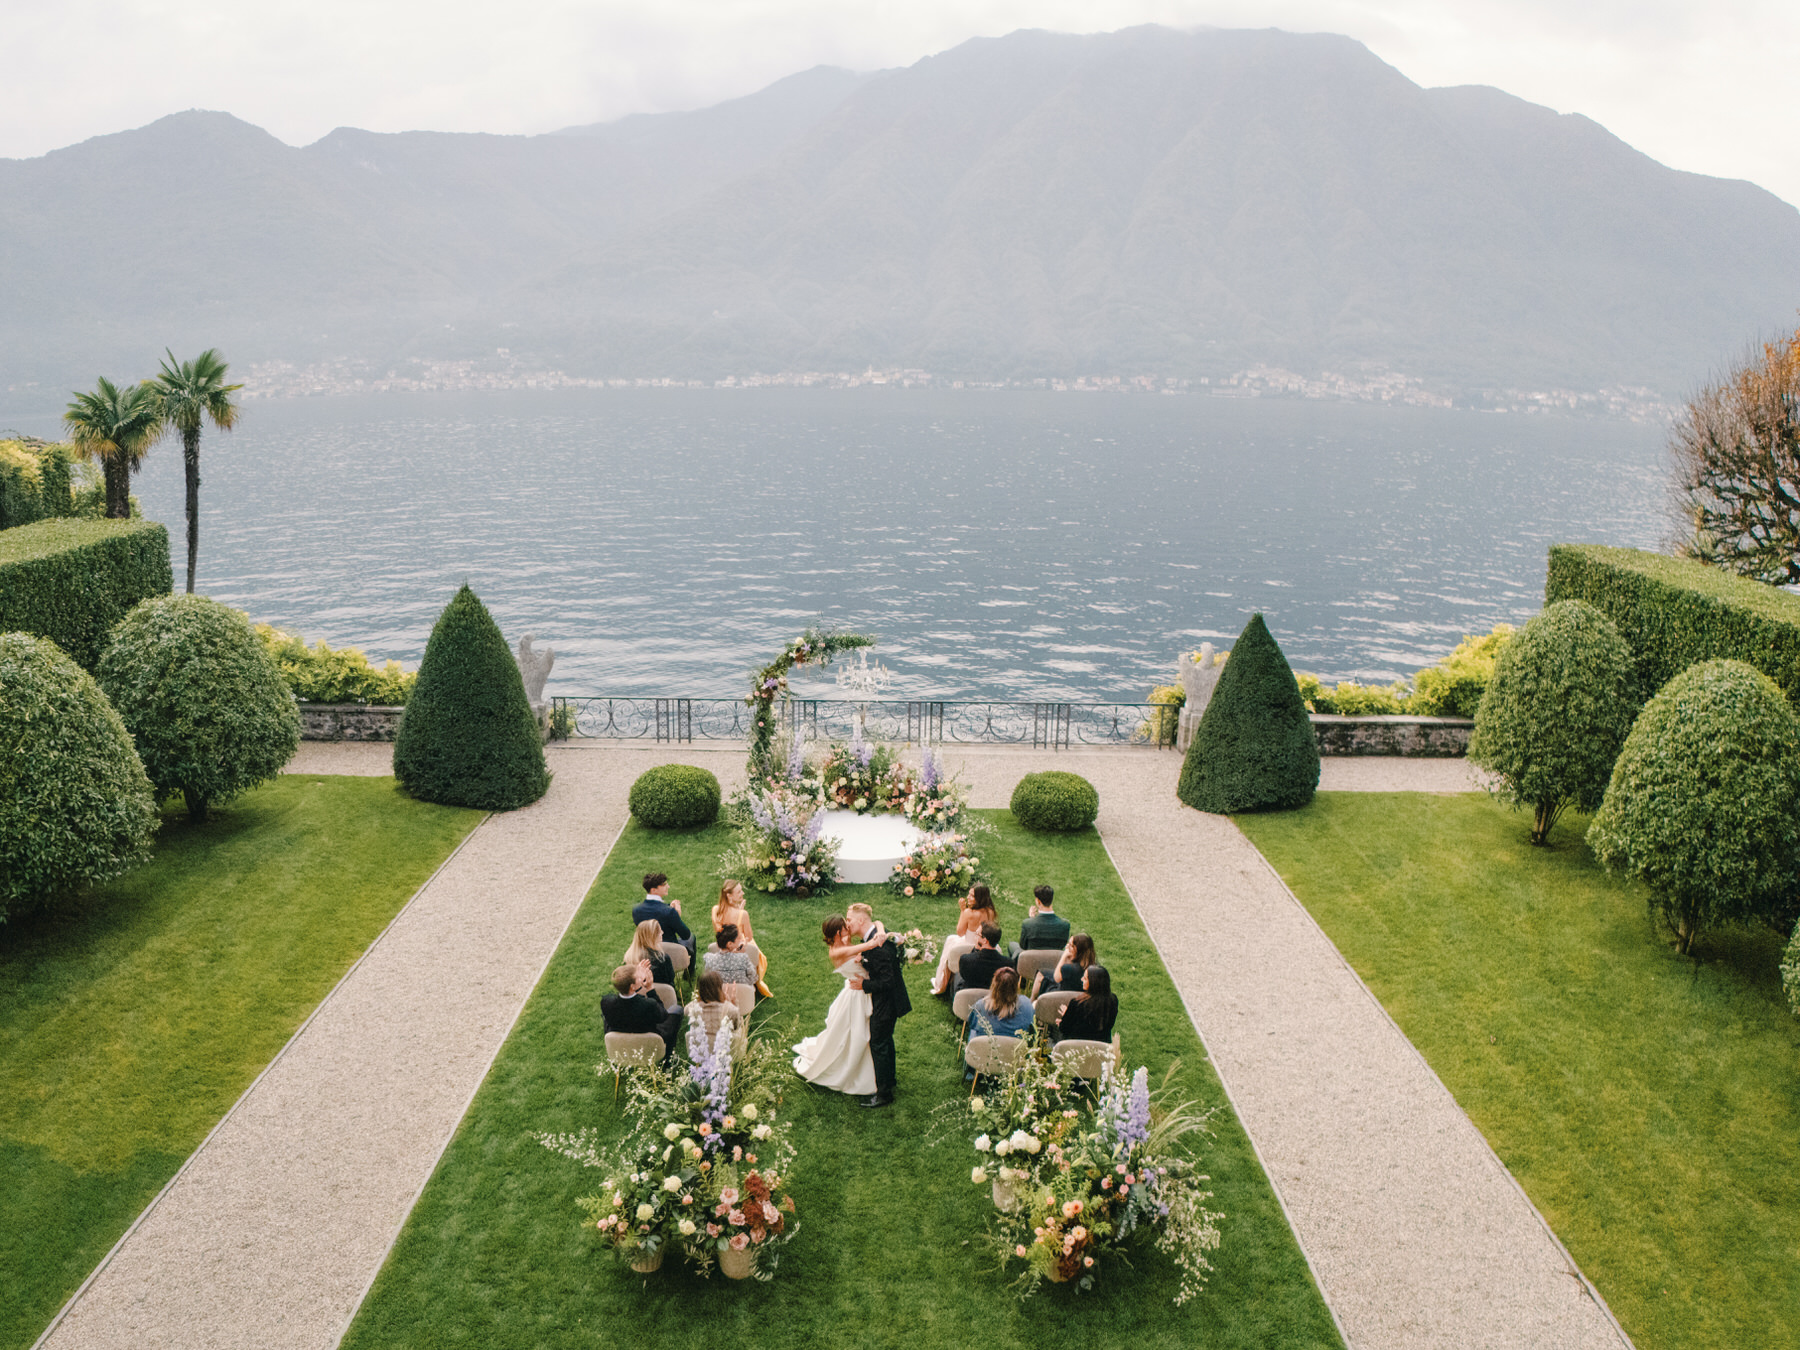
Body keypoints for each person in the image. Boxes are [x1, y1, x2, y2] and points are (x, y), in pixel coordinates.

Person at [792, 914, 895, 1098]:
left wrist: (879, 930)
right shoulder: (837, 952)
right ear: (839, 932)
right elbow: (870, 945)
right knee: (857, 1035)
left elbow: (877, 922)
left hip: (861, 992)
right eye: (846, 926)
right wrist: (877, 939)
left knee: (866, 1034)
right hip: (857, 996)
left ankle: (878, 1073)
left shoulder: (844, 943)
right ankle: (855, 1071)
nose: (849, 926)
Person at [846, 902, 910, 1109]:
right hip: (890, 1000)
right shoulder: (875, 937)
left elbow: (888, 980)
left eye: (850, 920)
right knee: (885, 1041)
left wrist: (864, 984)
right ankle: (889, 1081)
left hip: (887, 1002)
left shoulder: (879, 945)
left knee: (879, 1043)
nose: (847, 924)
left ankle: (884, 1094)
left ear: (862, 921)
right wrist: (864, 960)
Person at [602, 962, 683, 1060]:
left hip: (620, 1036)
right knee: (677, 1010)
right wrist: (650, 989)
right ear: (632, 987)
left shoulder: (606, 1002)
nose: (641, 978)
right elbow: (663, 1015)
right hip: (647, 1038)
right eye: (638, 977)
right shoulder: (648, 1005)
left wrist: (634, 972)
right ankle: (668, 1057)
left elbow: (627, 1001)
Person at [712, 879, 771, 998]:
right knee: (757, 954)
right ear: (729, 895)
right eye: (739, 892)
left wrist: (738, 910)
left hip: (722, 946)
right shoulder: (743, 914)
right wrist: (740, 912)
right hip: (740, 948)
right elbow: (748, 937)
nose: (743, 893)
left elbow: (720, 932)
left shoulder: (716, 910)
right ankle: (753, 982)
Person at [932, 885, 991, 995]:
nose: (968, 897)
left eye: (972, 896)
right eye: (969, 894)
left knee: (950, 940)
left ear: (980, 898)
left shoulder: (969, 913)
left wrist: (962, 911)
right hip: (984, 944)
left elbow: (960, 932)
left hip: (967, 945)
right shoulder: (990, 912)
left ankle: (943, 983)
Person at [632, 872, 695, 960]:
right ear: (653, 890)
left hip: (646, 951)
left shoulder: (636, 910)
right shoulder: (669, 912)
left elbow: (654, 913)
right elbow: (685, 935)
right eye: (664, 885)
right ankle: (690, 970)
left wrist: (669, 907)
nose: (668, 886)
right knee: (692, 938)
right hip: (669, 952)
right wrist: (677, 915)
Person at [1052, 964, 1117, 1045]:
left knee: (1053, 1031)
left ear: (1093, 983)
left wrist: (1067, 1015)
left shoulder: (1077, 1003)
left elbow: (1064, 1029)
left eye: (1085, 978)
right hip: (1102, 1046)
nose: (1081, 979)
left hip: (1075, 1046)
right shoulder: (1113, 1000)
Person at [686, 970, 746, 1052]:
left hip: (700, 1052)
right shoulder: (731, 1010)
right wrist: (732, 1003)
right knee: (741, 1023)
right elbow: (736, 1027)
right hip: (725, 1052)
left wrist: (698, 999)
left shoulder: (692, 1007)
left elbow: (685, 1010)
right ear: (719, 988)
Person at [969, 967, 1034, 1041]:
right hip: (1014, 1050)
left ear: (994, 985)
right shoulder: (1027, 1005)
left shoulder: (980, 1006)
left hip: (986, 1049)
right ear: (1016, 987)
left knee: (973, 1031)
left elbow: (972, 1024)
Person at [952, 922, 1014, 996]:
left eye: (977, 934)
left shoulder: (966, 960)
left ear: (984, 940)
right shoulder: (1008, 964)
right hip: (994, 997)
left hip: (969, 997)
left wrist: (975, 949)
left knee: (956, 976)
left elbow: (965, 975)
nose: (975, 936)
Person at [1033, 932, 1096, 997]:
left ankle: (1032, 1000)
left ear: (1078, 950)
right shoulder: (1094, 967)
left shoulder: (1068, 968)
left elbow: (1056, 978)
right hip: (1079, 993)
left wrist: (1064, 956)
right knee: (1042, 972)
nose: (1067, 946)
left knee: (1044, 977)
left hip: (1061, 995)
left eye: (1071, 945)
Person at [705, 924, 759, 990]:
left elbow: (708, 981)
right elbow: (753, 978)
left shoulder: (709, 959)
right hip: (742, 994)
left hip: (719, 995)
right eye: (739, 938)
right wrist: (740, 954)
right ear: (730, 944)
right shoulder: (743, 958)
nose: (741, 940)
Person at [624, 918, 675, 988]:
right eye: (660, 932)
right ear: (653, 937)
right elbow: (670, 982)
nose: (662, 932)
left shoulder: (629, 957)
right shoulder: (663, 959)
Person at [1019, 884, 1071, 951]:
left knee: (1012, 945)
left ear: (1038, 902)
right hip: (1055, 960)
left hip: (1033, 960)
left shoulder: (1027, 924)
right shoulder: (1065, 924)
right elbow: (1062, 945)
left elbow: (1023, 946)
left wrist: (1031, 919)